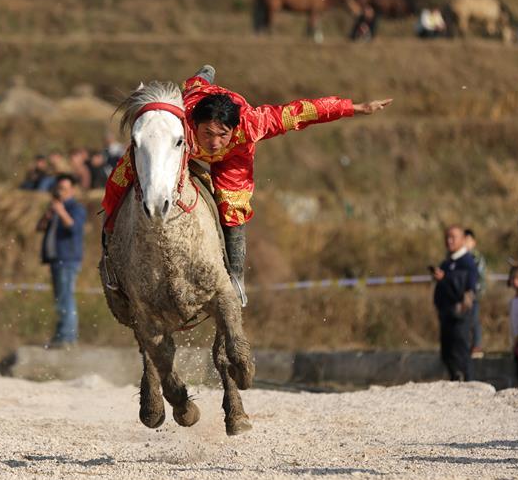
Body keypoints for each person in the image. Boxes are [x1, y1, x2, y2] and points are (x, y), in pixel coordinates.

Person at [102, 65, 392, 306]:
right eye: (208, 133)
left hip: (235, 157)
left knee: (234, 207)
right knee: (121, 176)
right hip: (191, 126)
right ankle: (110, 250)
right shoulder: (182, 121)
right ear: (194, 125)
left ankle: (236, 276)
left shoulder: (254, 123)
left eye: (222, 134)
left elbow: (304, 111)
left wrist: (354, 108)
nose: (214, 142)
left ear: (233, 129)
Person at [37, 174, 87, 348]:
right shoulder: (54, 208)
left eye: (64, 189)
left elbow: (73, 227)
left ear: (72, 190)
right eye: (58, 188)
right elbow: (40, 227)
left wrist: (60, 211)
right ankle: (61, 335)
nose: (60, 192)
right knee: (60, 299)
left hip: (68, 259)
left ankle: (68, 337)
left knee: (66, 298)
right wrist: (49, 213)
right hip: (55, 259)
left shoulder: (75, 208)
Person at [431, 225, 478, 381]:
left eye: (453, 237)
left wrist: (445, 278)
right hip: (446, 315)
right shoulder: (447, 262)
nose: (449, 241)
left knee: (461, 354)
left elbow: (468, 290)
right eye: (447, 237)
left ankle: (469, 388)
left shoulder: (467, 262)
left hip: (460, 317)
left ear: (463, 239)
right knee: (447, 354)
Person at [464, 229, 487, 358]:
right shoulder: (460, 257)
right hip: (462, 297)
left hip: (475, 295)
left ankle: (477, 346)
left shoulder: (477, 258)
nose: (466, 244)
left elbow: (480, 277)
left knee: (474, 320)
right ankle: (466, 345)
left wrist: (474, 292)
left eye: (468, 241)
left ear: (474, 242)